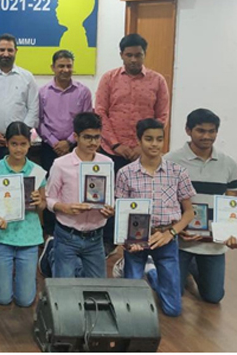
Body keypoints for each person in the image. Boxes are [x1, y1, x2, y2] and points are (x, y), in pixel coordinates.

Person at [95, 33, 169, 255]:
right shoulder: (109, 79)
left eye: (139, 55)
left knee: (140, 196)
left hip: (143, 152)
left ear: (145, 54)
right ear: (121, 55)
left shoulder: (157, 81)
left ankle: (137, 240)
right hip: (111, 150)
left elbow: (162, 116)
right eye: (129, 55)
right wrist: (117, 145)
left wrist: (143, 146)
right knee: (109, 198)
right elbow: (100, 112)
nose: (134, 60)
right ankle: (108, 240)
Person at [115, 118, 196, 317]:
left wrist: (171, 232)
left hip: (166, 238)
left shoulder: (178, 172)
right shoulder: (126, 173)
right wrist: (127, 242)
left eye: (159, 139)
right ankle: (128, 267)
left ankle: (151, 272)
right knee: (131, 306)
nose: (154, 144)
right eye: (149, 139)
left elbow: (189, 212)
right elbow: (121, 213)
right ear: (139, 140)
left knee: (173, 310)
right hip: (136, 240)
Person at [160, 109, 237, 304]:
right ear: (188, 130)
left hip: (213, 244)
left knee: (213, 297)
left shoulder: (228, 164)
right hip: (179, 241)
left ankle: (191, 268)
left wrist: (232, 233)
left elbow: (232, 203)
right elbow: (162, 202)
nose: (206, 136)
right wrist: (176, 229)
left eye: (211, 131)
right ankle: (157, 269)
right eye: (200, 131)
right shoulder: (171, 161)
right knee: (173, 295)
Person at [41, 112, 115, 279]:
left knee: (97, 291)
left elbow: (110, 196)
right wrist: (64, 207)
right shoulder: (61, 164)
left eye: (97, 137)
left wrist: (111, 209)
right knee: (65, 290)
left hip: (96, 236)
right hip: (67, 234)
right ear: (75, 136)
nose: (93, 142)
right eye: (87, 137)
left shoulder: (107, 163)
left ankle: (65, 261)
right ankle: (52, 255)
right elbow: (48, 198)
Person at [0, 121, 47, 307]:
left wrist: (39, 202)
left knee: (25, 300)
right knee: (3, 299)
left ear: (29, 144)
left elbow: (43, 205)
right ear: (6, 143)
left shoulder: (37, 171)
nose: (18, 149)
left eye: (23, 144)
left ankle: (25, 281)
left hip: (28, 238)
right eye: (14, 144)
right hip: (3, 235)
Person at [0, 34, 39, 175]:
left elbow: (33, 109)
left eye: (10, 50)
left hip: (19, 144)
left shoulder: (27, 77)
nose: (6, 54)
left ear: (16, 51)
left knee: (20, 183)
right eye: (2, 50)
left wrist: (20, 136)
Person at [37, 50, 93, 172]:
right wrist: (54, 143)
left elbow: (87, 123)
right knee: (50, 185)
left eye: (69, 66)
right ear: (52, 68)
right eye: (61, 66)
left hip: (76, 146)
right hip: (49, 148)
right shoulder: (43, 93)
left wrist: (68, 142)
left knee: (75, 183)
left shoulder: (83, 92)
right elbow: (39, 121)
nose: (66, 70)